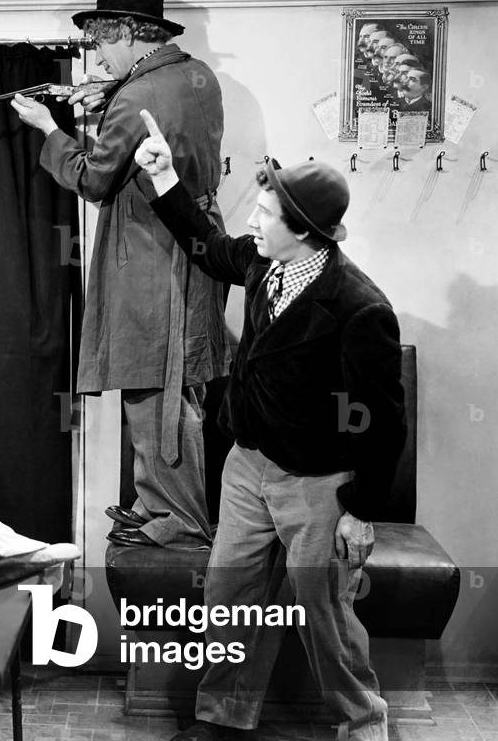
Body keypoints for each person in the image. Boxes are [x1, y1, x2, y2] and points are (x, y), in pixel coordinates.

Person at [134, 108, 405, 741]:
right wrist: (166, 178)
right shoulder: (263, 263)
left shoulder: (359, 309)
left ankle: (365, 723)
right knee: (227, 599)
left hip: (317, 484)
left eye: (264, 215)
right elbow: (208, 249)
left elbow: (384, 423)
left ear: (305, 232)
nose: (251, 222)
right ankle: (221, 718)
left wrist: (359, 509)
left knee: (324, 616)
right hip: (246, 466)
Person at [9, 0, 230, 549]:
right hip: (197, 242)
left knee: (151, 382)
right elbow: (161, 111)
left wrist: (48, 127)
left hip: (152, 252)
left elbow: (94, 180)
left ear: (131, 32)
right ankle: (163, 505)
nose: (99, 56)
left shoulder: (136, 96)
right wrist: (109, 93)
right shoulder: (198, 74)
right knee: (177, 382)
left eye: (104, 42)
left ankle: (176, 516)